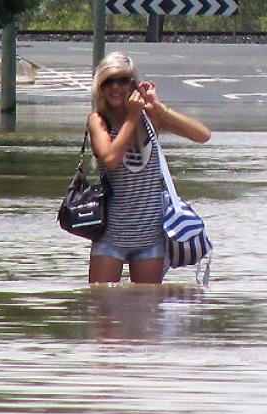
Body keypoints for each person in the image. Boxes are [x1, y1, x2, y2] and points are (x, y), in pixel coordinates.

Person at [87, 52, 211, 284]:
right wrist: (132, 118)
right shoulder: (99, 120)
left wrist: (158, 108)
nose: (116, 87)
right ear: (100, 88)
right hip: (110, 234)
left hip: (150, 234)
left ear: (133, 84)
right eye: (108, 82)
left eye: (123, 80)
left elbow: (202, 135)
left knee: (147, 311)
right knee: (101, 309)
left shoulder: (149, 117)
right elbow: (110, 158)